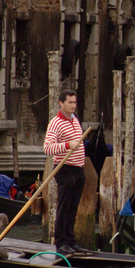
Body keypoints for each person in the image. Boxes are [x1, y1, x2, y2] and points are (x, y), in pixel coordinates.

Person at [43, 89, 86, 254]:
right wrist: (67, 145)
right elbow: (48, 148)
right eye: (70, 102)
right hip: (65, 169)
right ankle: (60, 242)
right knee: (64, 207)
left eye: (74, 102)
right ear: (61, 103)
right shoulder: (56, 123)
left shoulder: (75, 120)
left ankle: (71, 241)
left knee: (73, 208)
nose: (73, 105)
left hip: (78, 170)